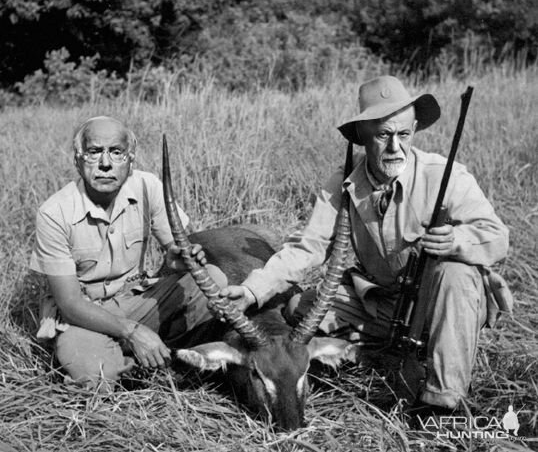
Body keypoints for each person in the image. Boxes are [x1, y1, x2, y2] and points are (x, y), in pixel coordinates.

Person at [219, 76, 510, 413]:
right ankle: (374, 354)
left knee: (456, 272)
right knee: (300, 307)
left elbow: (497, 236)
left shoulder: (445, 175)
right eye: (383, 135)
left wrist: (457, 240)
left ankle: (443, 401)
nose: (395, 148)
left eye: (404, 135)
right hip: (382, 299)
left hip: (442, 298)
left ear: (415, 128)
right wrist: (253, 290)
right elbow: (308, 247)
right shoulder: (342, 183)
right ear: (362, 137)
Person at [30, 116, 226, 388]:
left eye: (117, 152)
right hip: (85, 316)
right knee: (96, 375)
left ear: (131, 161)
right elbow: (70, 305)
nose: (106, 163)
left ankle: (149, 355)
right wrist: (133, 332)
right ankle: (146, 361)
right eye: (94, 152)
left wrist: (177, 258)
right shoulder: (54, 213)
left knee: (214, 279)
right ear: (78, 160)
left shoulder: (149, 186)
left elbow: (177, 247)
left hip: (135, 297)